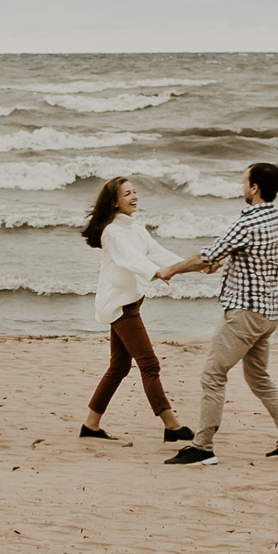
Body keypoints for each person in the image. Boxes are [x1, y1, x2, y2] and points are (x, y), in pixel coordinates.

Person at [153, 162, 278, 466]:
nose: (243, 187)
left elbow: (208, 255)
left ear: (254, 188)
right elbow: (252, 257)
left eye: (245, 182)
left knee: (213, 374)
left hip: (244, 313)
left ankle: (202, 447)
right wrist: (221, 263)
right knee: (260, 379)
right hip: (268, 313)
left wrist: (172, 270)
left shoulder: (247, 222)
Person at [76, 176, 195, 444]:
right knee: (149, 364)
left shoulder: (136, 229)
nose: (134, 197)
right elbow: (133, 260)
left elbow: (158, 253)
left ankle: (91, 425)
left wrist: (193, 265)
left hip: (130, 303)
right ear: (115, 202)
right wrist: (156, 272)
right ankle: (171, 425)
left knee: (118, 367)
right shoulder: (112, 232)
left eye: (135, 191)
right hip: (120, 306)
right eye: (127, 194)